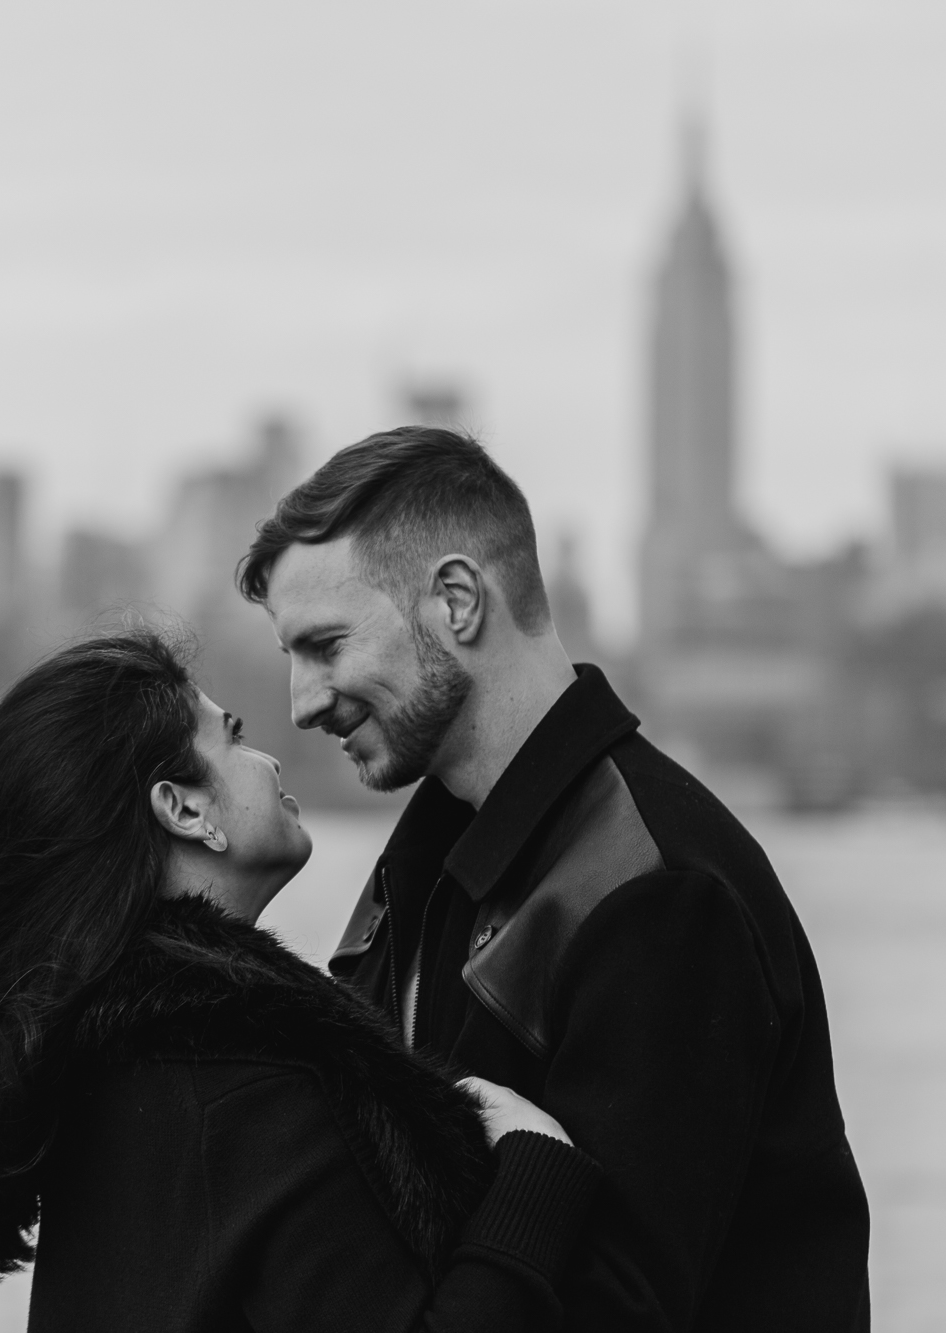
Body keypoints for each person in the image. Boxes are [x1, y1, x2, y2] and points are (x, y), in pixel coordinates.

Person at [240, 427, 873, 1331]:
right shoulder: (423, 865)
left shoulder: (657, 891)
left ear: (457, 600)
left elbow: (609, 1309)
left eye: (326, 644)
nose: (304, 700)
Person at [0, 632, 602, 1332]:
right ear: (182, 808)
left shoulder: (119, 1075)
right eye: (235, 736)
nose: (270, 759)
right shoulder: (250, 1095)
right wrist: (531, 1186)